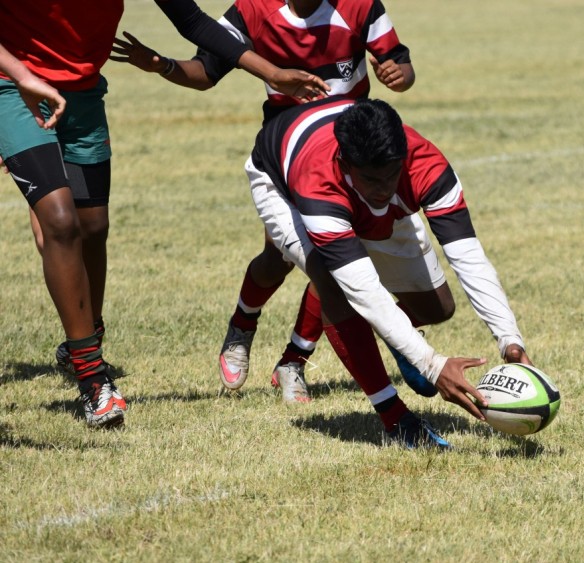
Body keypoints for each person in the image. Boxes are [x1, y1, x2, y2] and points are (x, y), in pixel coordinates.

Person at [0, 0, 327, 428]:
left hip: (82, 95)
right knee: (60, 222)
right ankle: (93, 377)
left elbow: (192, 21)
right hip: (13, 88)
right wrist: (22, 75)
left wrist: (271, 73)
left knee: (93, 227)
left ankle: (83, 339)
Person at [110, 0, 418, 402]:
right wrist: (162, 64)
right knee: (277, 258)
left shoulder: (359, 7)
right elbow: (205, 71)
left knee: (342, 260)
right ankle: (242, 325)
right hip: (288, 156)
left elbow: (398, 61)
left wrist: (401, 75)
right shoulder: (252, 11)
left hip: (351, 158)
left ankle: (293, 361)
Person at [244, 96, 531, 448]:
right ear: (345, 163)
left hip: (340, 167)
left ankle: (391, 341)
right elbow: (365, 291)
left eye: (392, 175)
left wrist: (510, 339)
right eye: (371, 179)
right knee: (331, 281)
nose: (383, 189)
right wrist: (432, 365)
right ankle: (395, 418)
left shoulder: (426, 164)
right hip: (280, 181)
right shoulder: (320, 185)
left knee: (437, 307)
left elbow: (468, 256)